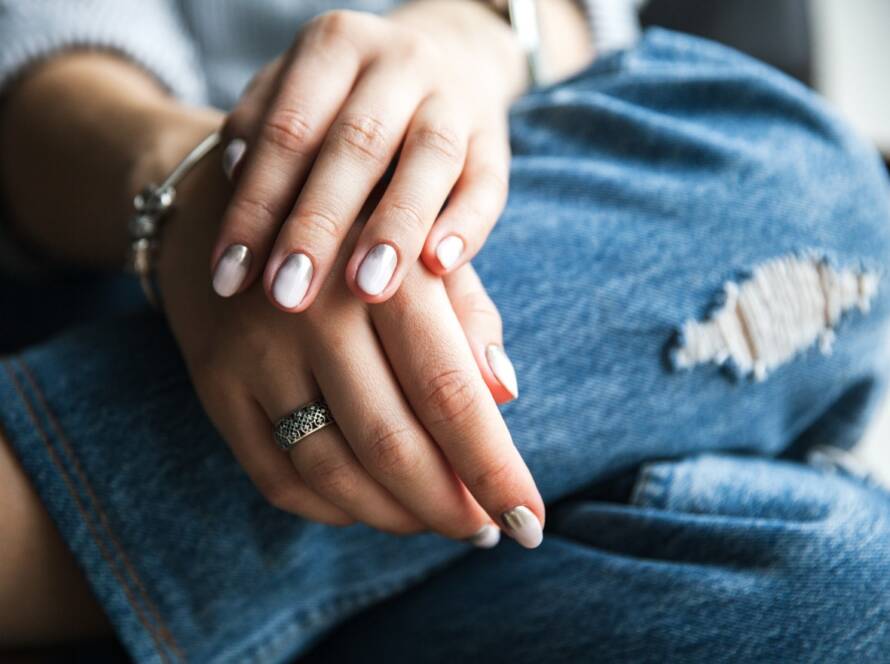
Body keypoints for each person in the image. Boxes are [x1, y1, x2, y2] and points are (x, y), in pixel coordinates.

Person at [1, 1, 889, 662]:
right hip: (129, 280)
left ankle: (35, 528)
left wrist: (480, 38)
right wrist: (200, 186)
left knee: (854, 582)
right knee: (823, 197)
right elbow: (40, 65)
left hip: (528, 203)